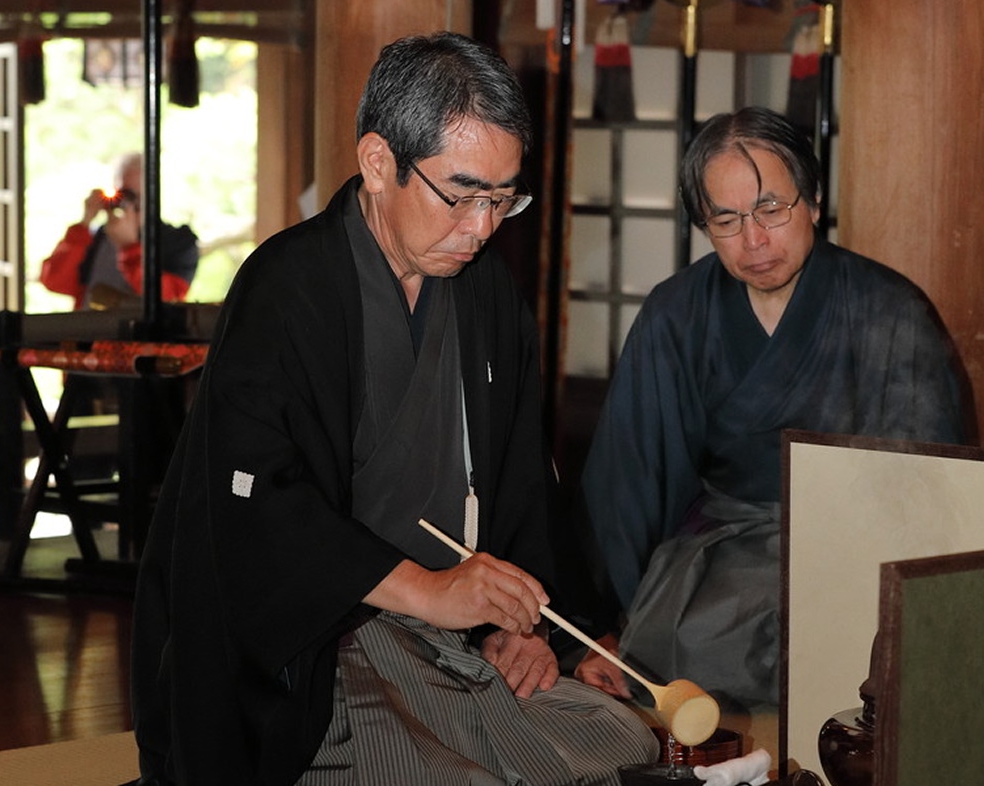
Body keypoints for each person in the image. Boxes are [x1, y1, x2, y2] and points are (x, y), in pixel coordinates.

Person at [130, 32, 659, 786]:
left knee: (619, 738)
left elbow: (517, 481)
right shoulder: (287, 288)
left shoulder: (485, 295)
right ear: (379, 163)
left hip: (451, 637)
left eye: (502, 199)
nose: (481, 228)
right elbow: (259, 509)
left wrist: (524, 624)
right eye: (462, 194)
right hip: (328, 637)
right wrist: (435, 592)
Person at [573, 106, 971, 713]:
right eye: (725, 219)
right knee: (678, 659)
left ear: (812, 200)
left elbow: (933, 492)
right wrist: (601, 628)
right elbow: (628, 484)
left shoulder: (892, 312)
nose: (753, 240)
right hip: (723, 557)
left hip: (853, 559)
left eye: (771, 210)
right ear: (703, 224)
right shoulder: (677, 315)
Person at [40, 151, 199, 310]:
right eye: (125, 195)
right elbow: (54, 281)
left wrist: (129, 248)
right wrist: (84, 223)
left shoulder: (179, 242)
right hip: (90, 332)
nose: (132, 204)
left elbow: (168, 298)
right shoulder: (97, 237)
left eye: (140, 197)